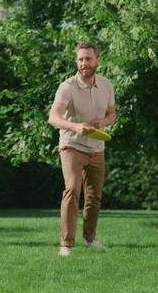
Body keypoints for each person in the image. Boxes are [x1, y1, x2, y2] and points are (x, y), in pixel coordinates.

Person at [48, 42, 116, 257]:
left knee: (94, 196)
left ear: (98, 61)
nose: (84, 63)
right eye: (80, 59)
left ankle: (90, 239)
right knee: (72, 189)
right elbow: (54, 117)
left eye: (88, 59)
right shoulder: (66, 86)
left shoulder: (106, 85)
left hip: (97, 147)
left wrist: (104, 121)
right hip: (71, 145)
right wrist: (76, 126)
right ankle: (66, 244)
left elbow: (113, 114)